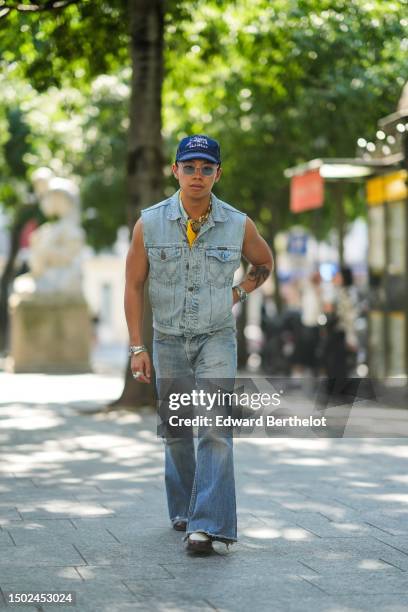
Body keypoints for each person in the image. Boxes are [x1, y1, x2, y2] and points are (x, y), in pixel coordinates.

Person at [124, 134, 273, 554]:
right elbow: (133, 285)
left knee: (213, 427)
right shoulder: (149, 223)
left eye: (206, 168)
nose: (197, 175)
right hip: (167, 339)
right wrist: (137, 347)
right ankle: (187, 510)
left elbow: (262, 263)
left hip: (216, 338)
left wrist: (238, 292)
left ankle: (207, 524)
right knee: (177, 431)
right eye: (189, 167)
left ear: (217, 174)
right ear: (175, 170)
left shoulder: (238, 223)